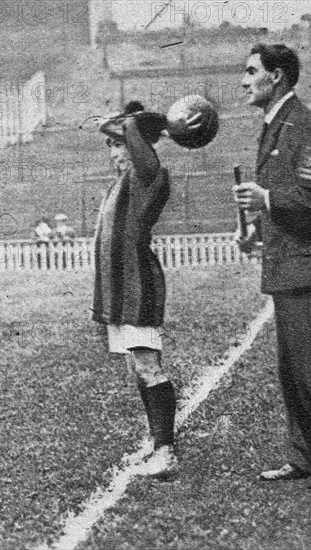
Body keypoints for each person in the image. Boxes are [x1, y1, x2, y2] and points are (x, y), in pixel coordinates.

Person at [235, 43, 311, 488]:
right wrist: (258, 229)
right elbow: (291, 204)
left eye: (252, 72)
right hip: (294, 265)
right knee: (293, 367)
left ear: (279, 77)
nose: (244, 80)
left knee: (310, 364)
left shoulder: (302, 126)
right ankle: (307, 456)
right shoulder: (277, 124)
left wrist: (265, 199)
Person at [92, 101, 199, 479]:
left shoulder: (150, 172)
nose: (115, 152)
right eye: (111, 147)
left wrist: (130, 123)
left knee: (148, 367)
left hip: (138, 285)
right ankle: (157, 445)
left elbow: (134, 137)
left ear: (138, 145)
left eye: (120, 144)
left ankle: (166, 452)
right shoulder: (122, 182)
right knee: (137, 370)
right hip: (118, 290)